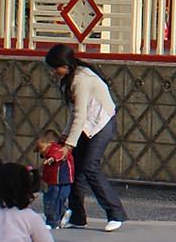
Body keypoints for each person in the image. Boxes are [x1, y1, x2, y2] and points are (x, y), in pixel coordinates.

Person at [44, 44, 125, 230]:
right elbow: (73, 113)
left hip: (101, 124)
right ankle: (77, 216)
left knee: (90, 166)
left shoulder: (81, 79)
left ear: (64, 65)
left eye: (55, 67)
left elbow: (80, 115)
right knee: (76, 169)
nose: (53, 71)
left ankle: (116, 213)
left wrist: (69, 145)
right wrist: (65, 137)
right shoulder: (68, 78)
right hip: (87, 125)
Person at [34, 131, 76, 230]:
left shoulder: (56, 149)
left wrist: (52, 158)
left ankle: (53, 222)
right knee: (57, 199)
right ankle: (62, 213)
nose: (42, 152)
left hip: (58, 180)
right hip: (59, 180)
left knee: (52, 200)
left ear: (49, 143)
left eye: (42, 148)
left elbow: (57, 154)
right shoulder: (54, 151)